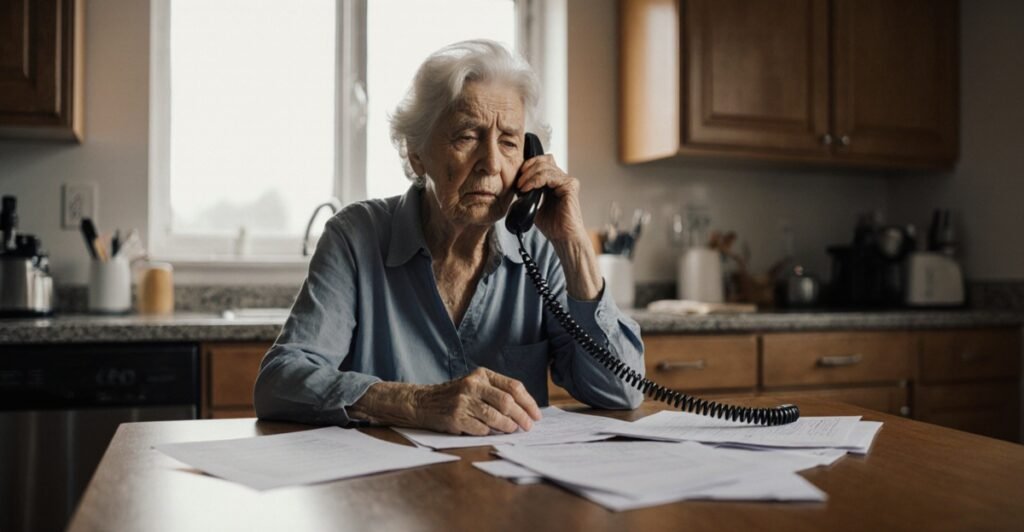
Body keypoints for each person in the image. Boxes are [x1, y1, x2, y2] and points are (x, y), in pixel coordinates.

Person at [254, 39, 644, 436]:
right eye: (467, 137)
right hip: (388, 486)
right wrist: (415, 402)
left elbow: (622, 392)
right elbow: (279, 383)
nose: (492, 163)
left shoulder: (541, 251)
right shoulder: (355, 237)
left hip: (510, 486)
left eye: (509, 142)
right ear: (416, 153)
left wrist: (575, 247)